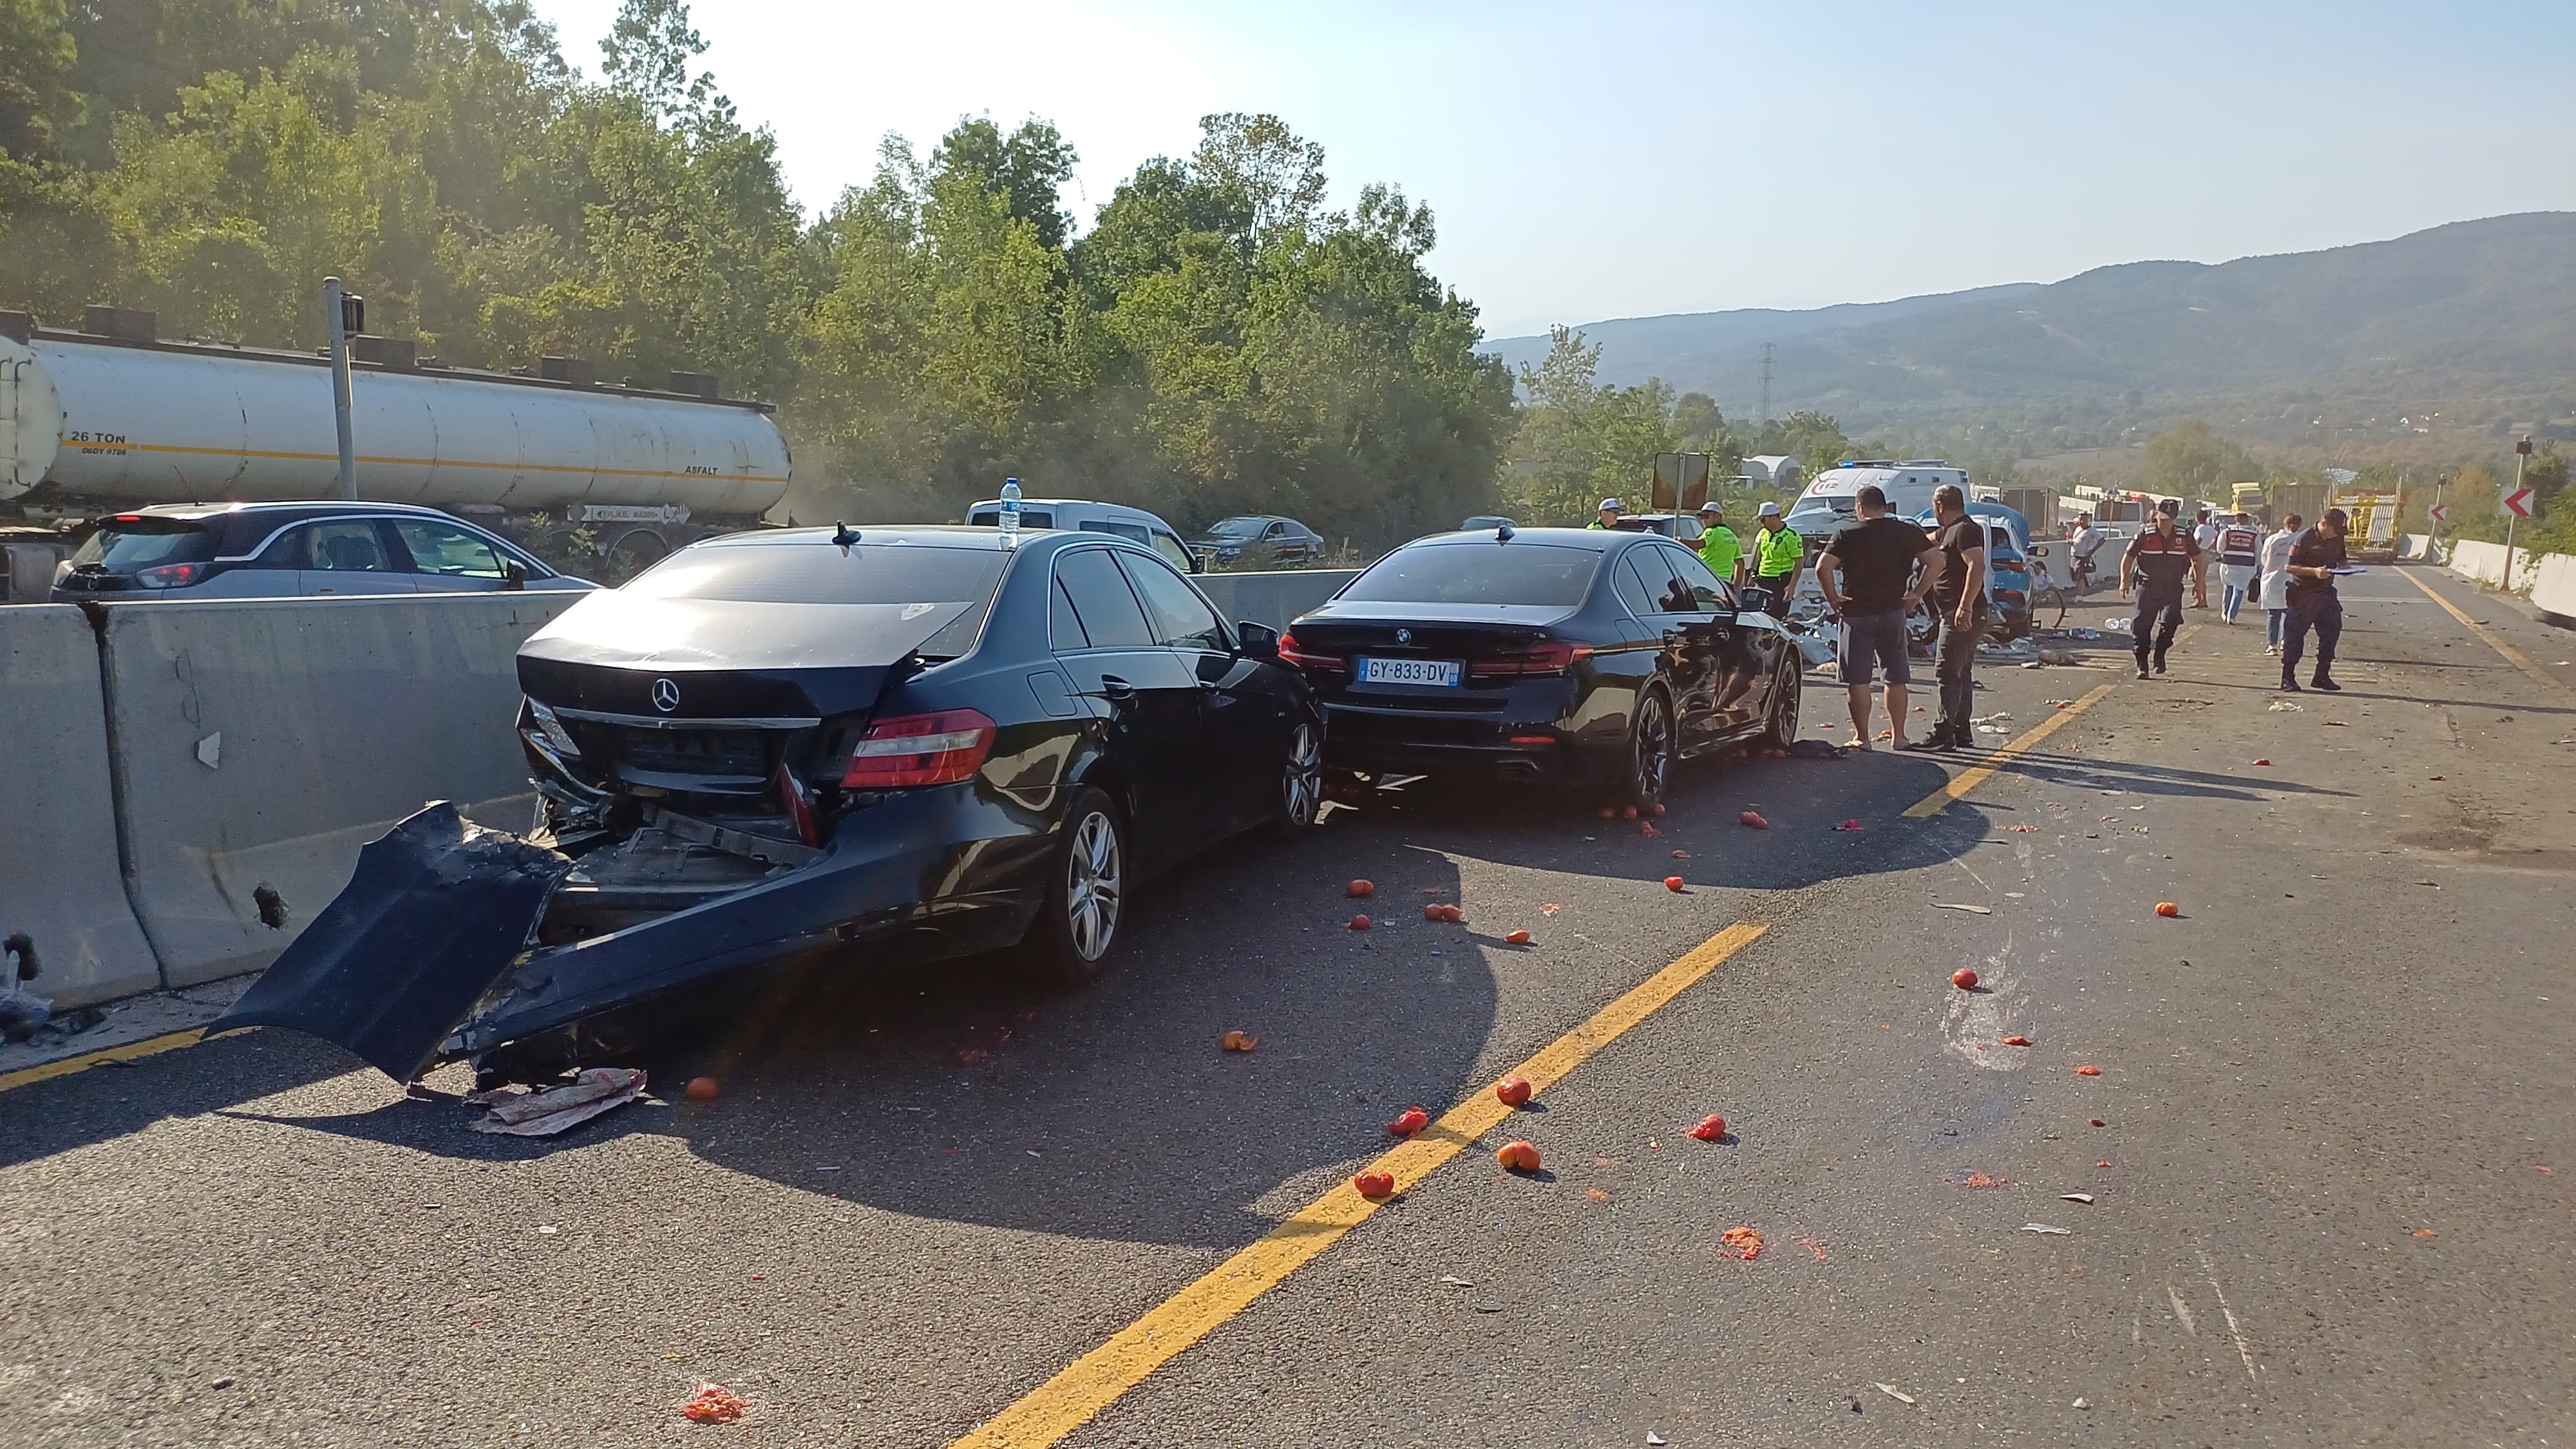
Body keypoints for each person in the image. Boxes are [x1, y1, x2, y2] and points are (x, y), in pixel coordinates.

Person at [1815, 484, 1942, 750]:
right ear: (1885, 507)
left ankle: (1862, 737)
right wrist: (1916, 594)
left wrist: (1833, 598)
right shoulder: (1907, 532)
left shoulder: (1846, 534)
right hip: (1893, 611)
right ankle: (1899, 736)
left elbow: (1822, 567)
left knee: (1858, 679)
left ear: (1859, 508)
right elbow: (1937, 562)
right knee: (1895, 677)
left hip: (1856, 613)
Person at [1908, 484, 1987, 753]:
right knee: (1961, 672)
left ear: (1939, 505)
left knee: (1946, 671)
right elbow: (1925, 540)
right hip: (1957, 611)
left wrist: (1964, 607)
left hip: (1960, 613)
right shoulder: (1949, 532)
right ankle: (1960, 731)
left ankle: (1944, 732)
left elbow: (1976, 565)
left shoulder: (1965, 530)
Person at [2119, 506, 2199, 678]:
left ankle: (2160, 654)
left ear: (2174, 519)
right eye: (2161, 518)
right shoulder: (2145, 534)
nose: (2164, 523)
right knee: (2142, 626)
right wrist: (2124, 580)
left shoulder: (2184, 536)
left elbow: (2197, 558)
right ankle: (2142, 664)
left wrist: (2199, 583)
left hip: (2172, 587)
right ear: (2156, 516)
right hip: (2147, 586)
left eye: (2168, 519)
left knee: (2171, 621)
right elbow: (2128, 557)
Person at [2278, 509, 2349, 692]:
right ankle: (2288, 678)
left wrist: (2346, 568)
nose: (2337, 535)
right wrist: (2314, 572)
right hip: (2303, 594)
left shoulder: (2337, 539)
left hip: (2326, 594)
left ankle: (2322, 676)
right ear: (2325, 523)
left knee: (2332, 633)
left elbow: (2342, 559)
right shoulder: (2304, 538)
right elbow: (2290, 567)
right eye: (2335, 530)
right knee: (2294, 638)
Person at [2259, 513, 2303, 656]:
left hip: (2272, 579)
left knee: (2273, 614)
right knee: (2287, 613)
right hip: (2292, 580)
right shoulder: (2300, 540)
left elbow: (2264, 559)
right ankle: (2285, 642)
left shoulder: (2272, 539)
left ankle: (2272, 645)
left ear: (2284, 524)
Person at [1752, 502, 1804, 614]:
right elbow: (1759, 557)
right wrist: (1752, 576)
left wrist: (1792, 586)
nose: (1762, 523)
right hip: (1761, 582)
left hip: (1779, 584)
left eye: (1763, 520)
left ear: (1774, 518)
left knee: (1776, 617)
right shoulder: (1763, 533)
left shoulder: (1791, 536)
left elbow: (1799, 563)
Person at [2215, 509, 2262, 623]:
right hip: (2246, 567)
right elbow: (2258, 553)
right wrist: (2259, 567)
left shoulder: (2227, 532)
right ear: (2248, 521)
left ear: (2236, 520)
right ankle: (2231, 616)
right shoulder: (2255, 535)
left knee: (2228, 588)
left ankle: (2225, 612)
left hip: (2228, 564)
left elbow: (2219, 548)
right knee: (2239, 591)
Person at [1694, 501, 1742, 585]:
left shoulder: (1712, 532)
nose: (1703, 520)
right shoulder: (1732, 535)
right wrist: (1736, 586)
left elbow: (1699, 544)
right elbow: (1740, 563)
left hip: (1708, 578)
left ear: (1717, 516)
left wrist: (1680, 542)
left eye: (1706, 516)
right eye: (1702, 517)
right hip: (1725, 582)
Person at [2069, 513, 2107, 594]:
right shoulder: (2077, 529)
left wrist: (2092, 550)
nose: (2081, 521)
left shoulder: (2091, 530)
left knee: (2080, 576)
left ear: (2087, 521)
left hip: (2083, 556)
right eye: (2080, 519)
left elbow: (2102, 540)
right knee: (2075, 576)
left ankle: (2080, 595)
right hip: (2074, 555)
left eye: (2083, 520)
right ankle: (2079, 593)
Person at [2190, 508, 2218, 607]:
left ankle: (2200, 600)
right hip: (2207, 553)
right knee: (2200, 577)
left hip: (2199, 553)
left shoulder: (2200, 528)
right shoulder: (2210, 529)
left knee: (2198, 578)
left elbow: (2198, 540)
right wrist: (2211, 546)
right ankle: (2202, 599)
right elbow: (2216, 538)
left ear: (2198, 518)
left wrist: (2194, 549)